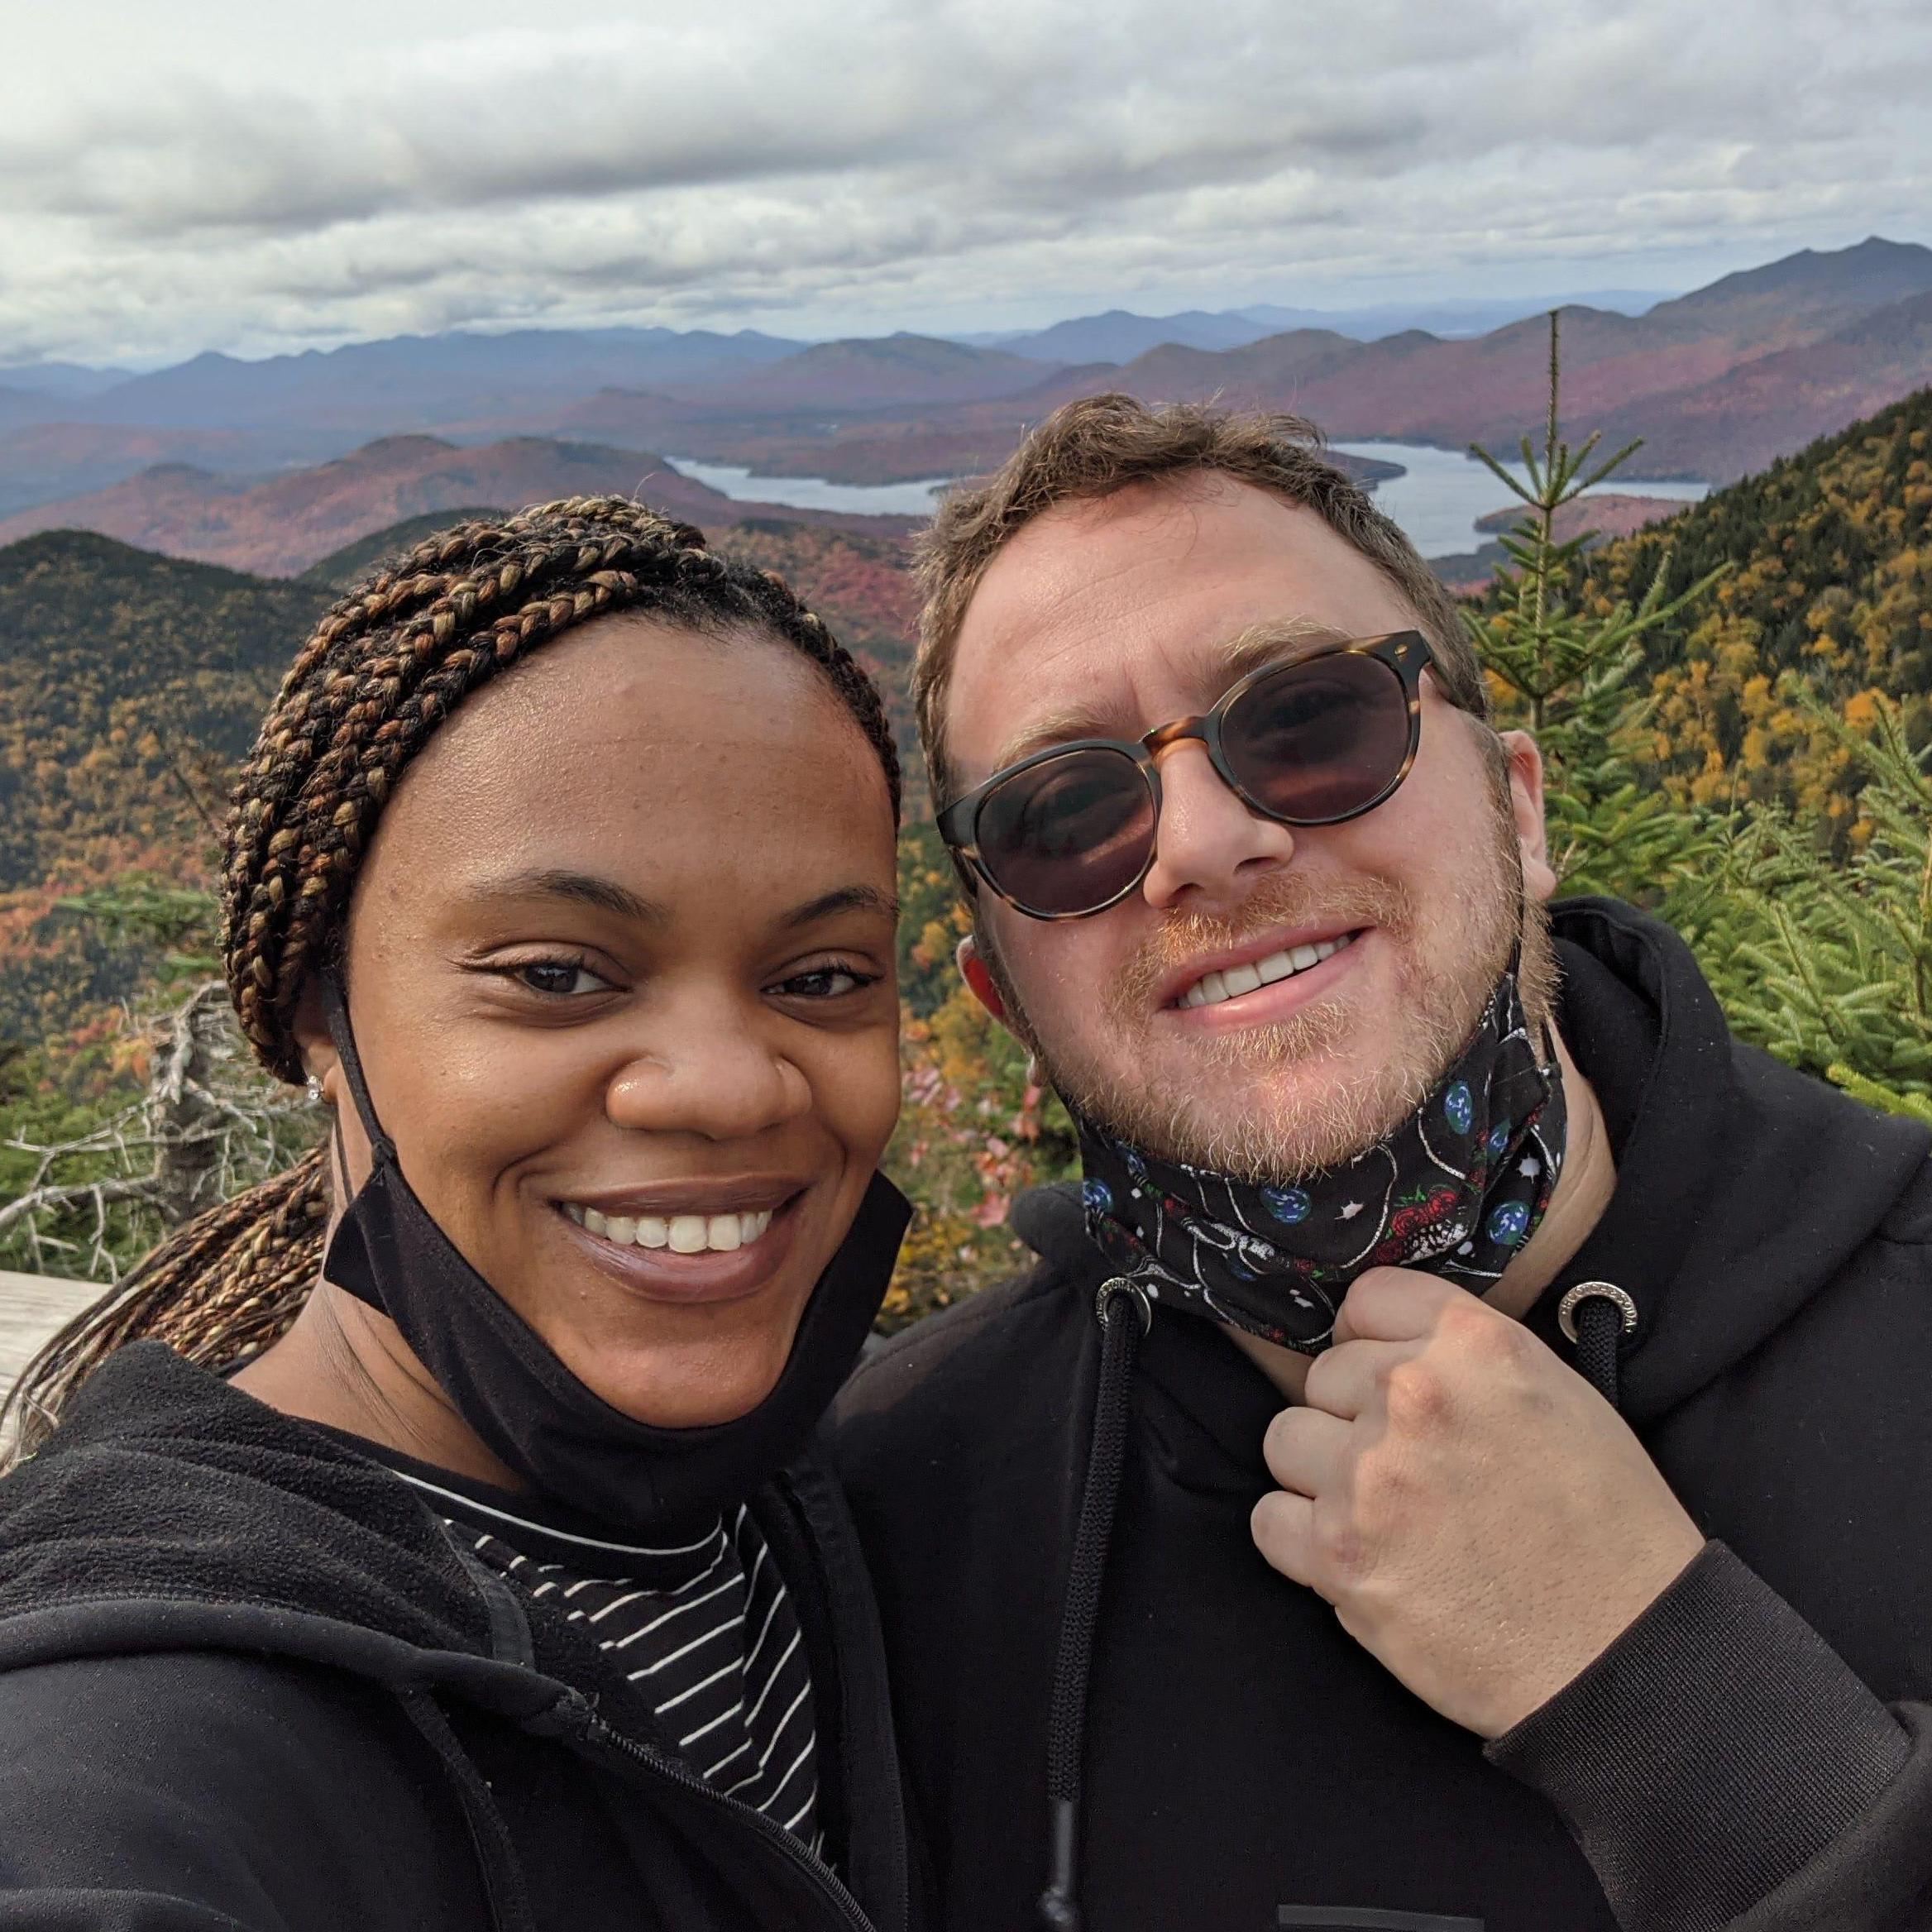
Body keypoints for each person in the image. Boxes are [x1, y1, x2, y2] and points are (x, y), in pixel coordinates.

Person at [832, 395, 1932, 1932]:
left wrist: (1672, 1706)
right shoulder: (893, 1510)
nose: (1203, 841)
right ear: (1006, 998)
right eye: (1065, 813)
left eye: (1308, 719)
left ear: (1521, 811)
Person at [0, 499, 921, 1932]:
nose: (732, 1090)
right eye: (559, 974)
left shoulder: (812, 1502)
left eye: (820, 977)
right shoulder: (138, 1735)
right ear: (320, 1008)